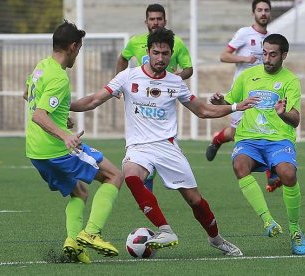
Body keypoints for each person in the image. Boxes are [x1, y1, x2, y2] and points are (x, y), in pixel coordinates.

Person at [71, 28, 260, 256]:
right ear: (148, 52)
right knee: (130, 175)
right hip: (139, 147)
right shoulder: (128, 76)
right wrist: (64, 106)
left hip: (167, 146)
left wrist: (234, 107)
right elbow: (93, 100)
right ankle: (165, 230)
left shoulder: (175, 82)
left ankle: (216, 240)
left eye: (165, 54)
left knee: (195, 201)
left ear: (171, 54)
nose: (160, 58)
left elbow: (203, 110)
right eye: (156, 53)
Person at [24, 20, 123, 263]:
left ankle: (73, 243)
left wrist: (60, 118)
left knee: (79, 192)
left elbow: (29, 96)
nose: (78, 53)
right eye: (79, 48)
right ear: (72, 46)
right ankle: (91, 233)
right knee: (114, 176)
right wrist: (65, 134)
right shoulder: (59, 78)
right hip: (56, 149)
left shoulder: (41, 67)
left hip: (36, 152)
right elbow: (39, 115)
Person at [210, 33, 305, 255]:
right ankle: (268, 222)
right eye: (264, 53)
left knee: (288, 174)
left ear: (283, 55)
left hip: (278, 140)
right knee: (239, 166)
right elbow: (231, 98)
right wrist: (221, 101)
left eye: (272, 55)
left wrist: (283, 114)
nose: (267, 59)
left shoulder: (290, 81)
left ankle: (295, 230)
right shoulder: (247, 75)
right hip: (249, 139)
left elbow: (296, 119)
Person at [115, 3, 193, 192]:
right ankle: (147, 179)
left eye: (159, 19)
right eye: (152, 19)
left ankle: (161, 170)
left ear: (165, 21)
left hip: (163, 100)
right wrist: (119, 84)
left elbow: (189, 69)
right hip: (141, 99)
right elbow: (123, 58)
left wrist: (174, 81)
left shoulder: (177, 43)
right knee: (144, 145)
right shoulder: (135, 42)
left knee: (162, 140)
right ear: (146, 21)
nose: (155, 22)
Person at [205, 0, 281, 192]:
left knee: (265, 128)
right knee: (238, 133)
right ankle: (218, 139)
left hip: (264, 93)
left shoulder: (272, 38)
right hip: (243, 93)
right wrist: (244, 58)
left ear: (270, 13)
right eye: (260, 10)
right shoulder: (244, 34)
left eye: (266, 10)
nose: (263, 13)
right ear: (253, 13)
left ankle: (271, 176)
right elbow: (224, 55)